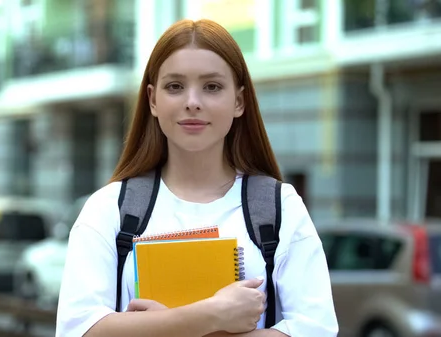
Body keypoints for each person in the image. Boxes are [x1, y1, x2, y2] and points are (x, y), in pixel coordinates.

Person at [55, 18, 338, 337]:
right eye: (175, 86)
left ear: (239, 101)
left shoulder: (279, 208)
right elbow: (78, 329)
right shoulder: (109, 209)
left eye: (212, 87)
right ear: (152, 100)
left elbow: (317, 330)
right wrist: (210, 315)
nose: (193, 102)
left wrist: (161, 326)